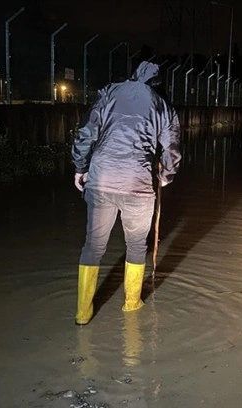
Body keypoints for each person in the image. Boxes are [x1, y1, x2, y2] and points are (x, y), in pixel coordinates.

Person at [71, 61, 181, 325]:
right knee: (135, 245)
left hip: (101, 180)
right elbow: (172, 147)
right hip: (139, 185)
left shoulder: (109, 92)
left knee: (93, 246)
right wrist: (166, 176)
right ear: (156, 83)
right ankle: (131, 304)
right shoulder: (162, 105)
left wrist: (80, 167)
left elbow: (86, 132)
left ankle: (83, 313)